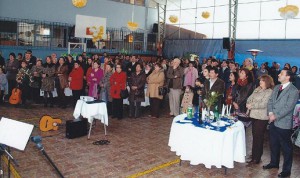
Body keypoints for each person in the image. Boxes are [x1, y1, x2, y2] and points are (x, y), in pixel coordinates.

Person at [263, 69, 298, 178]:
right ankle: (274, 163)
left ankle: (286, 170)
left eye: (281, 74)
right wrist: (270, 113)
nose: (278, 75)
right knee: (273, 144)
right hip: (273, 120)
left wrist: (275, 116)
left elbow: (289, 107)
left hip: (283, 123)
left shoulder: (294, 91)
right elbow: (270, 101)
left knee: (286, 148)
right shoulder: (277, 87)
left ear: (288, 77)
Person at [246, 74, 274, 164]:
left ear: (267, 82)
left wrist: (252, 105)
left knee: (259, 137)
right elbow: (250, 97)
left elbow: (264, 104)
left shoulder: (269, 92)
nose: (260, 82)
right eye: (260, 80)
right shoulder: (257, 89)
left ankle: (256, 158)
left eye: (262, 80)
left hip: (262, 117)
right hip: (254, 115)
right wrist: (248, 103)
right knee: (255, 136)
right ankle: (254, 154)